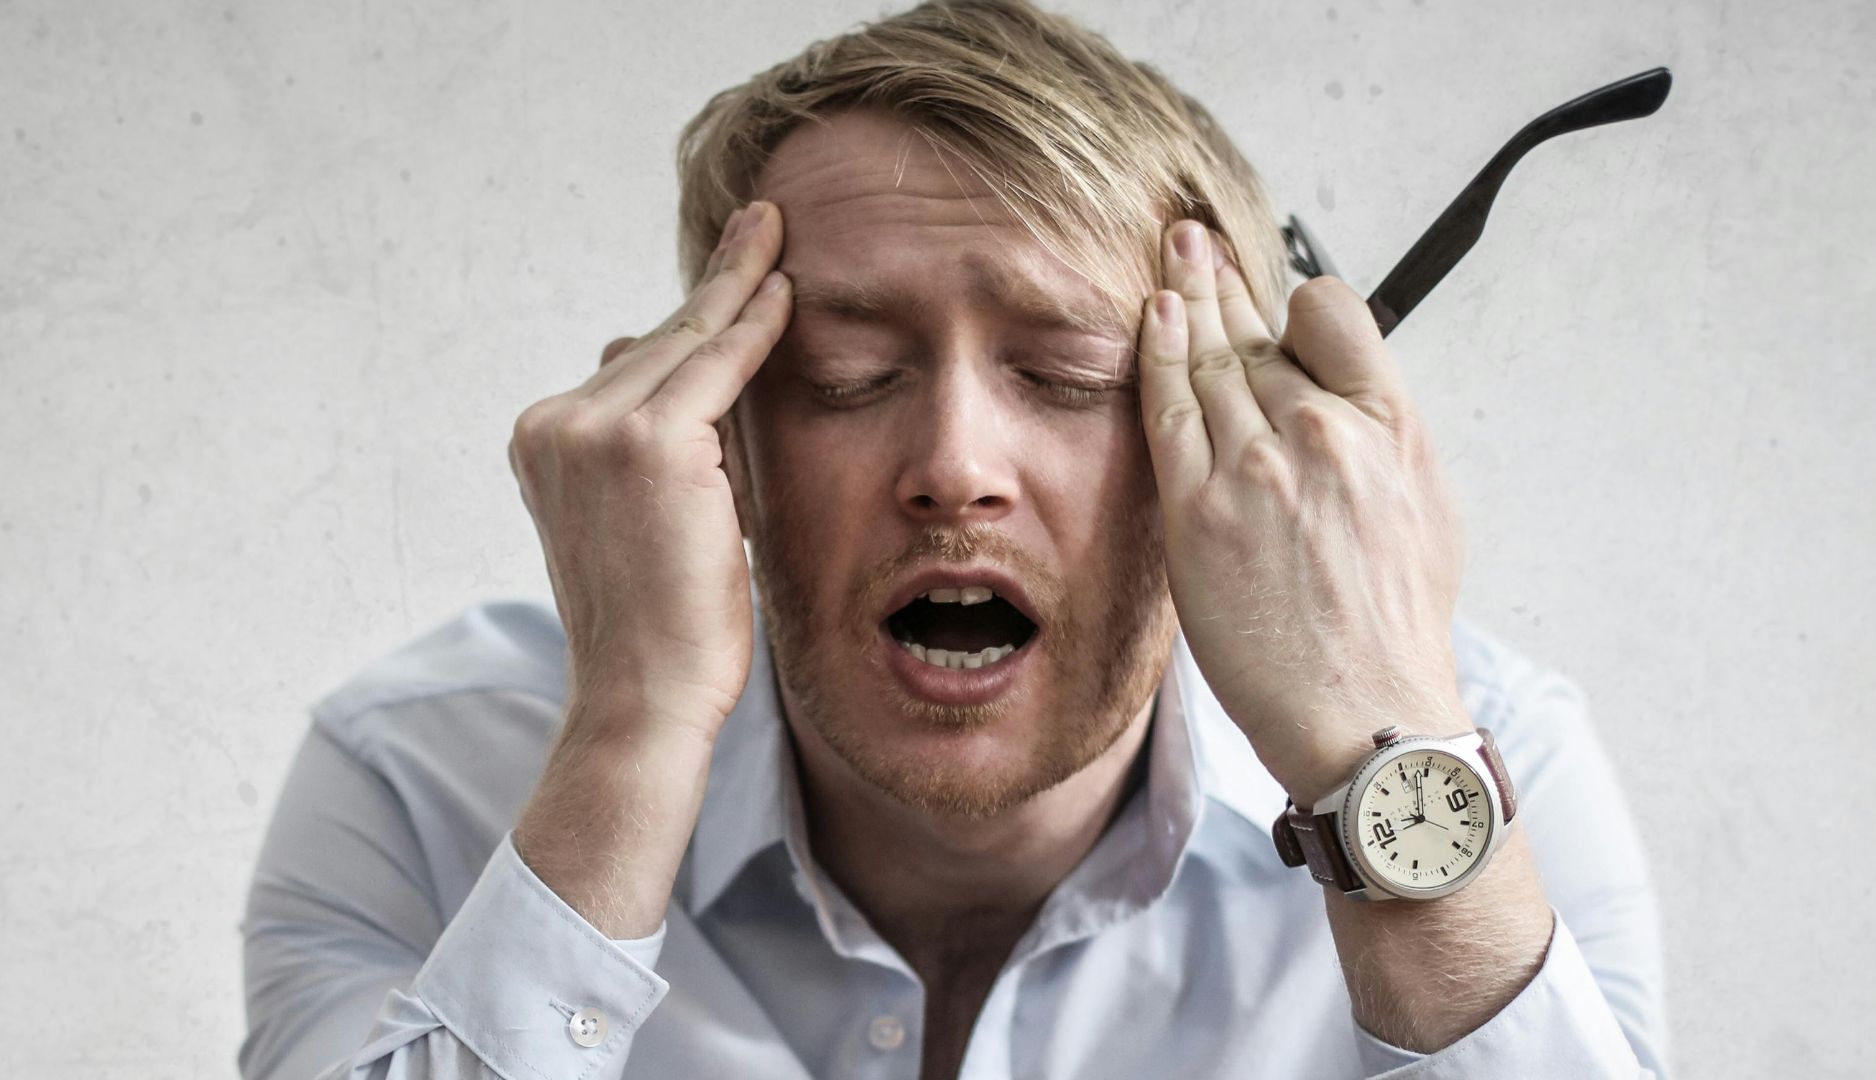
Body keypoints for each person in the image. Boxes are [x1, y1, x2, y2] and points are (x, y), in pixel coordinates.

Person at [239, 1, 1666, 1077]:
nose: (954, 469)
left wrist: (1386, 766)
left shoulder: (1493, 762)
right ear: (712, 430)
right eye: (848, 378)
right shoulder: (423, 776)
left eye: (1074, 378)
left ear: (1239, 439)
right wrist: (631, 728)